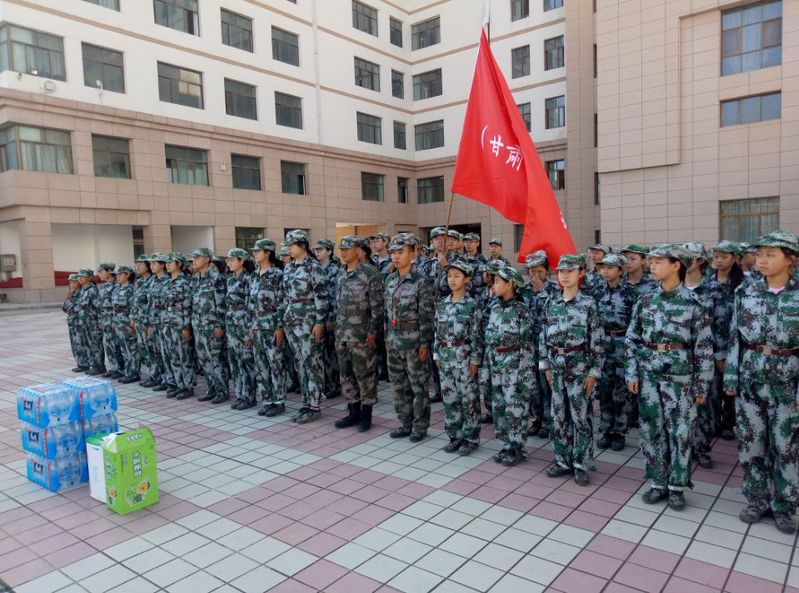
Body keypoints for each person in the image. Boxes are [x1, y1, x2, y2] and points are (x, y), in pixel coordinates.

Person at [626, 244, 713, 510]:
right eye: (651, 262)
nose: (652, 266)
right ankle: (657, 482)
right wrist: (632, 372)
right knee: (651, 428)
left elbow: (703, 347)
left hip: (680, 377)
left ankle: (677, 486)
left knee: (680, 432)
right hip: (649, 374)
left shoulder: (694, 303)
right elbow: (632, 338)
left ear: (677, 265)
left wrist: (701, 385)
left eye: (659, 261)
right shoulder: (645, 301)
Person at [724, 231, 799, 533]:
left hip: (787, 382)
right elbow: (735, 337)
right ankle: (757, 499)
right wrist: (731, 376)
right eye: (759, 254)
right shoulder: (746, 292)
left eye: (770, 255)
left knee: (786, 447)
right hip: (751, 379)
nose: (762, 260)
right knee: (751, 444)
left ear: (790, 259)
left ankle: (784, 505)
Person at [541, 255, 605, 485]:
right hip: (556, 366)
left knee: (580, 417)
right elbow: (543, 335)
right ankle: (562, 460)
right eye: (561, 271)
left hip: (579, 367)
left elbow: (597, 340)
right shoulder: (551, 302)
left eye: (570, 271)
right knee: (558, 416)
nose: (565, 275)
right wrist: (545, 365)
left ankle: (581, 463)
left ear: (581, 273)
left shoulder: (588, 304)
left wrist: (594, 372)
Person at [385, 233, 434, 442]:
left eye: (400, 252)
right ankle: (404, 423)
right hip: (393, 341)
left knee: (418, 387)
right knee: (398, 385)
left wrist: (424, 344)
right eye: (393, 253)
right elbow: (388, 313)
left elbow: (426, 316)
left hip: (414, 342)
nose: (395, 257)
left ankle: (420, 426)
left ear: (412, 253)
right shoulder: (390, 279)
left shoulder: (421, 281)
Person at [485, 265, 536, 466]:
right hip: (496, 365)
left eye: (498, 281)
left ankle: (516, 447)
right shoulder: (494, 308)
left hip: (515, 366)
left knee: (515, 407)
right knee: (499, 407)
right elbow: (489, 339)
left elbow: (527, 344)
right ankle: (505, 444)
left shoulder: (522, 310)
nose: (494, 285)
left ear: (510, 284)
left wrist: (524, 373)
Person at [277, 230, 330, 423]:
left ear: (302, 245)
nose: (289, 249)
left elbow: (322, 297)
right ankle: (306, 403)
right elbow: (285, 297)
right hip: (292, 321)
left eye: (292, 245)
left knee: (312, 363)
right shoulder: (289, 268)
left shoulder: (313, 267)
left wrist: (319, 322)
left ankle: (315, 405)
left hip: (308, 322)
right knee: (300, 363)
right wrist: (281, 322)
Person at [334, 235, 384, 432]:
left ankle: (366, 414)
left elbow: (377, 307)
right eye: (342, 249)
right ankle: (353, 411)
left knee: (365, 375)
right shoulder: (341, 273)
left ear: (357, 250)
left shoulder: (369, 273)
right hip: (342, 334)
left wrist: (372, 331)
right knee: (346, 375)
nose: (344, 252)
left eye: (347, 248)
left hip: (362, 334)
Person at [682, 242, 724, 470]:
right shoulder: (673, 287)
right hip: (679, 357)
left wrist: (719, 356)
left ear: (700, 261)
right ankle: (684, 448)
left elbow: (722, 324)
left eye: (689, 257)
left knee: (706, 404)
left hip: (706, 357)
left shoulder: (714, 289)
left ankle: (702, 448)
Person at [435, 260, 483, 456]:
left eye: (457, 276)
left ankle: (471, 438)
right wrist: (436, 353)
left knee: (468, 399)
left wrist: (475, 360)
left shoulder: (472, 305)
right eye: (449, 276)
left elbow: (477, 336)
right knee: (450, 398)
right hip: (445, 356)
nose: (452, 280)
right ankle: (455, 435)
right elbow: (437, 332)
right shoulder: (442, 304)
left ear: (467, 279)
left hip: (464, 357)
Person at [594, 253, 637, 452]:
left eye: (610, 268)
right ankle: (605, 429)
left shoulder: (631, 293)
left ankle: (619, 432)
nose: (605, 271)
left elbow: (636, 323)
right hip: (602, 343)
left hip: (623, 343)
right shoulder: (597, 291)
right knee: (604, 389)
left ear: (620, 270)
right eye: (603, 267)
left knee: (621, 391)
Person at [521, 251, 559, 439]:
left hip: (547, 344)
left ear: (547, 271)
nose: (535, 276)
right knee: (533, 384)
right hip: (529, 344)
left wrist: (542, 292)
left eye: (539, 271)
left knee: (546, 383)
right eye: (531, 271)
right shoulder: (523, 290)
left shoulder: (555, 290)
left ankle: (548, 421)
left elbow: (555, 313)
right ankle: (536, 418)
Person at [249, 239, 287, 417]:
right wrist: (251, 326)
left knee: (275, 364)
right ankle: (267, 400)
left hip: (272, 326)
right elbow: (250, 304)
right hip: (257, 326)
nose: (255, 254)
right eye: (254, 251)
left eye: (258, 251)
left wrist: (280, 327)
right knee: (260, 365)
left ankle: (278, 402)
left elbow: (282, 302)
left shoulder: (277, 274)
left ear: (268, 253)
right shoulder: (254, 275)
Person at [710, 240, 744, 441]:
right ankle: (714, 423)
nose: (719, 260)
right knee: (712, 388)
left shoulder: (743, 285)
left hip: (733, 346)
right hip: (710, 346)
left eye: (724, 256)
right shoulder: (707, 282)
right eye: (716, 256)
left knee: (730, 387)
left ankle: (728, 423)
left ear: (734, 258)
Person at [190, 247, 229, 403]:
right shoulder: (195, 279)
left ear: (207, 259)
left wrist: (219, 325)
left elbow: (221, 304)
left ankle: (222, 390)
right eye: (193, 258)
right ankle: (212, 388)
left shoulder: (216, 278)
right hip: (199, 326)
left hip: (212, 326)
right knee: (204, 359)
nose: (194, 261)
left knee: (216, 359)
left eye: (197, 257)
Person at [158, 253, 194, 399]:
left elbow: (188, 306)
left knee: (183, 356)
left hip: (179, 324)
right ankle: (178, 384)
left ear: (179, 264)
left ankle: (187, 386)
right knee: (172, 356)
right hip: (167, 323)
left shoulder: (185, 282)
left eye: (170, 262)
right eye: (166, 262)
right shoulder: (167, 282)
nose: (167, 264)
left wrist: (186, 327)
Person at [225, 248, 255, 409]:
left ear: (241, 261)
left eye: (232, 260)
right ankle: (240, 395)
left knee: (246, 361)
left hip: (243, 324)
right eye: (227, 260)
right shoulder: (230, 280)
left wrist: (249, 331)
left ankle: (249, 396)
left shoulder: (248, 279)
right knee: (235, 362)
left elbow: (251, 307)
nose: (228, 263)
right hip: (231, 324)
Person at [314, 238, 342, 400]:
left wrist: (331, 318)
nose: (317, 252)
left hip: (330, 318)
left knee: (330, 353)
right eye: (316, 250)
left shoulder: (334, 270)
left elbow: (335, 297)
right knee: (320, 352)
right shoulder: (315, 269)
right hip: (317, 317)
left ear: (329, 252)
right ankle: (325, 383)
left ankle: (334, 385)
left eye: (321, 249)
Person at [146, 253, 171, 392]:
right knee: (157, 352)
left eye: (154, 263)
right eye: (151, 263)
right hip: (154, 321)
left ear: (162, 265)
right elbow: (150, 304)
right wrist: (149, 322)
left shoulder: (168, 280)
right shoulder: (152, 281)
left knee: (166, 353)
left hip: (164, 321)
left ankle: (170, 380)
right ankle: (162, 378)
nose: (151, 266)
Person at [111, 265, 140, 384]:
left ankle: (133, 373)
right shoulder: (117, 289)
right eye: (116, 274)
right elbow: (115, 308)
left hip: (127, 323)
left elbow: (134, 308)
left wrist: (132, 324)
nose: (117, 277)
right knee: (124, 349)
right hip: (119, 323)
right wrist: (114, 321)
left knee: (131, 349)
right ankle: (128, 372)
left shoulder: (131, 289)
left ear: (127, 275)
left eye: (120, 274)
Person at [133, 255, 158, 387]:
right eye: (136, 264)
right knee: (144, 349)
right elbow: (135, 302)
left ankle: (157, 376)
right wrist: (133, 317)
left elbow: (152, 304)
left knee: (152, 349)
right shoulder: (139, 282)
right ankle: (151, 375)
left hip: (148, 321)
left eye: (141, 264)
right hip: (139, 320)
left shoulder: (153, 281)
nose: (137, 267)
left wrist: (150, 323)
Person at [76, 268, 105, 375]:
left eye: (82, 276)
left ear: (89, 277)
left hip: (93, 323)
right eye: (79, 276)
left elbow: (98, 307)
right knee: (88, 344)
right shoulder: (83, 290)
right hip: (85, 322)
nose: (80, 279)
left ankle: (99, 366)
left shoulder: (92, 290)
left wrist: (99, 322)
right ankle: (93, 365)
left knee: (95, 345)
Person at [97, 262, 123, 379]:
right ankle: (113, 367)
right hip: (105, 319)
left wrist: (115, 321)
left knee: (116, 345)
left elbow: (117, 306)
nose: (98, 274)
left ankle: (120, 369)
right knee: (107, 345)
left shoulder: (117, 285)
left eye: (101, 271)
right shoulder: (103, 286)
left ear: (109, 271)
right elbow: (100, 306)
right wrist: (100, 320)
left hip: (113, 320)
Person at [62, 273, 88, 372]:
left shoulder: (82, 293)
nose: (72, 284)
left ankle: (84, 364)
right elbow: (64, 308)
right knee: (74, 344)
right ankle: (79, 363)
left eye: (74, 282)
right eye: (70, 282)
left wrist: (68, 302)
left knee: (80, 343)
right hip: (72, 323)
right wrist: (67, 300)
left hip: (79, 323)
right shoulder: (71, 294)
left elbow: (76, 309)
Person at [463, 232, 487, 301]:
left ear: (477, 243)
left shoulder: (484, 260)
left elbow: (487, 282)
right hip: (463, 298)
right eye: (466, 242)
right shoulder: (460, 260)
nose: (468, 244)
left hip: (479, 298)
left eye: (471, 242)